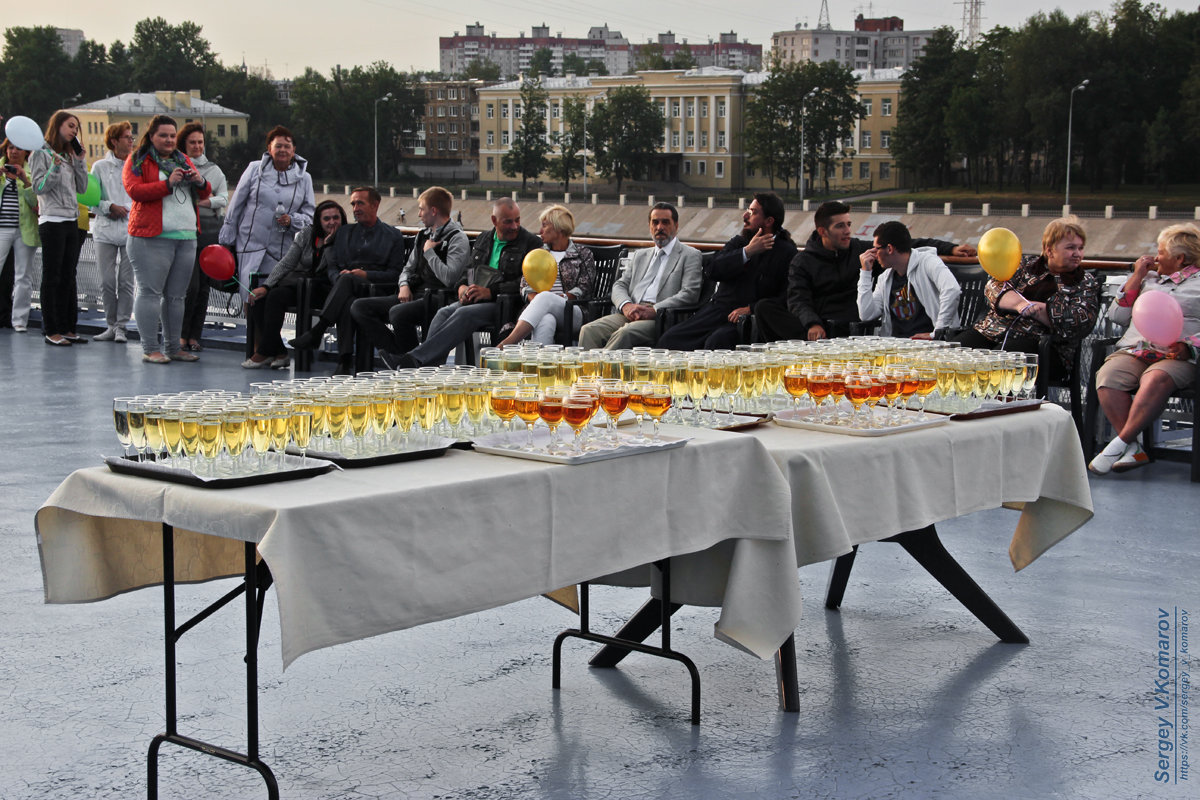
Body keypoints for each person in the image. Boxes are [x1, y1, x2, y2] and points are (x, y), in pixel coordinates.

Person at [754, 201, 975, 342]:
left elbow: (906, 243)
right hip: (819, 322)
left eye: (849, 224)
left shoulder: (861, 250)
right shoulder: (802, 261)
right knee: (766, 308)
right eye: (840, 226)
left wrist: (951, 248)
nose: (848, 231)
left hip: (851, 323)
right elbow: (798, 298)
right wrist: (812, 322)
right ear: (823, 231)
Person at [1089, 223, 1200, 475]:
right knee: (1108, 377)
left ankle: (1117, 444)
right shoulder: (1148, 279)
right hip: (1136, 349)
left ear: (1180, 258)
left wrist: (1188, 346)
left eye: (1161, 252)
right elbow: (1117, 315)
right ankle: (1133, 449)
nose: (1156, 257)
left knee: (1155, 378)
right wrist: (1137, 276)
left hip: (1177, 356)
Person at [384, 197, 540, 368]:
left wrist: (491, 292)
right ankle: (426, 367)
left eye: (517, 220)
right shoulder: (484, 239)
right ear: (494, 220)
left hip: (503, 303)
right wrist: (462, 287)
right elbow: (469, 270)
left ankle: (416, 361)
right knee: (443, 313)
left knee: (464, 314)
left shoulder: (531, 243)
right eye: (508, 222)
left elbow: (526, 282)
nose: (514, 226)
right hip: (474, 297)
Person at [953, 216, 1100, 376]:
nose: (1077, 254)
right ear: (1050, 250)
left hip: (1043, 346)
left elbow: (1081, 322)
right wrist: (1018, 304)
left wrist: (1040, 310)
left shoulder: (1085, 282)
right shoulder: (1024, 266)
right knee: (952, 353)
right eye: (1071, 248)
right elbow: (993, 287)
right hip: (994, 332)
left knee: (999, 361)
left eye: (1080, 248)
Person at [122, 114, 213, 364]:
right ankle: (151, 347)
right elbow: (134, 191)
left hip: (185, 236)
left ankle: (174, 347)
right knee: (150, 293)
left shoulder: (182, 159)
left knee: (177, 296)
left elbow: (206, 191)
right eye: (163, 135)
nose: (169, 140)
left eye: (173, 136)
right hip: (150, 237)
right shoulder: (138, 160)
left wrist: (199, 180)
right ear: (152, 136)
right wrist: (166, 184)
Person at [287, 187, 407, 374]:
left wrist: (365, 275)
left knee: (348, 282)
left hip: (375, 289)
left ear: (375, 205)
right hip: (346, 288)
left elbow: (395, 274)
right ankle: (343, 361)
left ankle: (318, 331)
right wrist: (339, 279)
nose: (355, 208)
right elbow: (334, 267)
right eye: (353, 204)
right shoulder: (344, 233)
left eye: (360, 203)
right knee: (348, 299)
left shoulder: (392, 235)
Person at [657, 193, 796, 351]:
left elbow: (787, 296)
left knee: (717, 343)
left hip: (746, 320)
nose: (745, 216)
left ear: (769, 221)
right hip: (717, 312)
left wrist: (751, 308)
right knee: (670, 340)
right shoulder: (740, 242)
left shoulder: (786, 252)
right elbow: (712, 270)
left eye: (753, 212)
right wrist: (747, 252)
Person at [350, 186, 470, 362]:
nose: (419, 214)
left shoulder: (457, 238)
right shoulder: (423, 235)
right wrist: (404, 285)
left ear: (433, 210)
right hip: (415, 292)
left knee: (399, 313)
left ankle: (408, 360)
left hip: (439, 297)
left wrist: (430, 253)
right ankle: (404, 356)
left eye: (422, 209)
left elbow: (450, 279)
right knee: (359, 307)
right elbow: (408, 267)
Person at [579, 202, 702, 350]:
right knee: (588, 330)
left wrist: (655, 310)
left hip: (661, 318)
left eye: (665, 222)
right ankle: (587, 372)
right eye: (655, 222)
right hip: (631, 311)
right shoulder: (640, 255)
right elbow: (620, 284)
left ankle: (604, 371)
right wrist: (626, 305)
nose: (659, 227)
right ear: (649, 226)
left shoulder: (690, 255)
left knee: (625, 333)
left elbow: (690, 294)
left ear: (676, 226)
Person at [242, 199, 346, 369]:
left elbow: (334, 268)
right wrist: (266, 285)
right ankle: (279, 352)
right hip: (298, 285)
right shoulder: (307, 234)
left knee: (277, 296)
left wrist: (328, 245)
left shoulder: (346, 237)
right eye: (326, 219)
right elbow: (287, 263)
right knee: (258, 298)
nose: (332, 222)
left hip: (325, 290)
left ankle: (265, 351)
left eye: (336, 218)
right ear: (319, 221)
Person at [219, 125, 315, 293]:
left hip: (282, 250)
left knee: (272, 296)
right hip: (250, 245)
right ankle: (250, 320)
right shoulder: (254, 169)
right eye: (278, 146)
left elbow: (310, 216)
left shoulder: (304, 178)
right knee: (248, 294)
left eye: (287, 146)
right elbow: (236, 204)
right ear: (269, 149)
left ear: (293, 150)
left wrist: (292, 220)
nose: (282, 150)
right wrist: (227, 241)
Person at [28, 110, 89, 346]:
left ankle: (68, 327)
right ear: (58, 126)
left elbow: (82, 188)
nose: (74, 131)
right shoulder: (40, 153)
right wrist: (54, 167)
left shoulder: (70, 156)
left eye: (76, 127)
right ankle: (51, 329)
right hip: (51, 220)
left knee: (68, 274)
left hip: (71, 219)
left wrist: (80, 161)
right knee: (52, 275)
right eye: (70, 126)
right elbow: (39, 187)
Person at [497, 204, 596, 347]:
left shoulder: (582, 254)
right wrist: (537, 301)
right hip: (540, 310)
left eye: (545, 225)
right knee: (546, 319)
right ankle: (542, 365)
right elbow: (525, 285)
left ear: (558, 227)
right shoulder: (538, 255)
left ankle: (507, 343)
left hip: (572, 311)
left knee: (545, 297)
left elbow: (585, 287)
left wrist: (558, 298)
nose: (540, 231)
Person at [856, 220, 962, 339]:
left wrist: (937, 333)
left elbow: (952, 289)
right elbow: (866, 315)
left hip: (927, 346)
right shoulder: (885, 278)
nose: (874, 254)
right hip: (895, 347)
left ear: (889, 249)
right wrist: (865, 272)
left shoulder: (928, 262)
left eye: (876, 249)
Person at [177, 123, 228, 352]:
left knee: (204, 288)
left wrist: (205, 202)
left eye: (200, 142)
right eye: (192, 143)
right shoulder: (178, 167)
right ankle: (180, 333)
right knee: (191, 287)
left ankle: (194, 335)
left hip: (208, 231)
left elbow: (224, 198)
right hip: (185, 231)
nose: (197, 146)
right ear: (184, 145)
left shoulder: (214, 170)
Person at [88, 122, 135, 343]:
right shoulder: (99, 167)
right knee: (107, 281)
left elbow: (141, 196)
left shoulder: (137, 167)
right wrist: (109, 207)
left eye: (131, 136)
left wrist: (125, 208)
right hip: (105, 231)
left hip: (130, 231)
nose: (131, 140)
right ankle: (110, 324)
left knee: (126, 281)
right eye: (126, 137)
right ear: (114, 141)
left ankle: (122, 327)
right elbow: (91, 201)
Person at [0, 137, 39, 333]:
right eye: (10, 148)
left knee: (23, 275)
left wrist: (25, 180)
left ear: (26, 152)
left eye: (18, 148)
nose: (13, 152)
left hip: (25, 229)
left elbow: (36, 204)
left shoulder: (31, 172)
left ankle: (19, 320)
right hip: (2, 228)